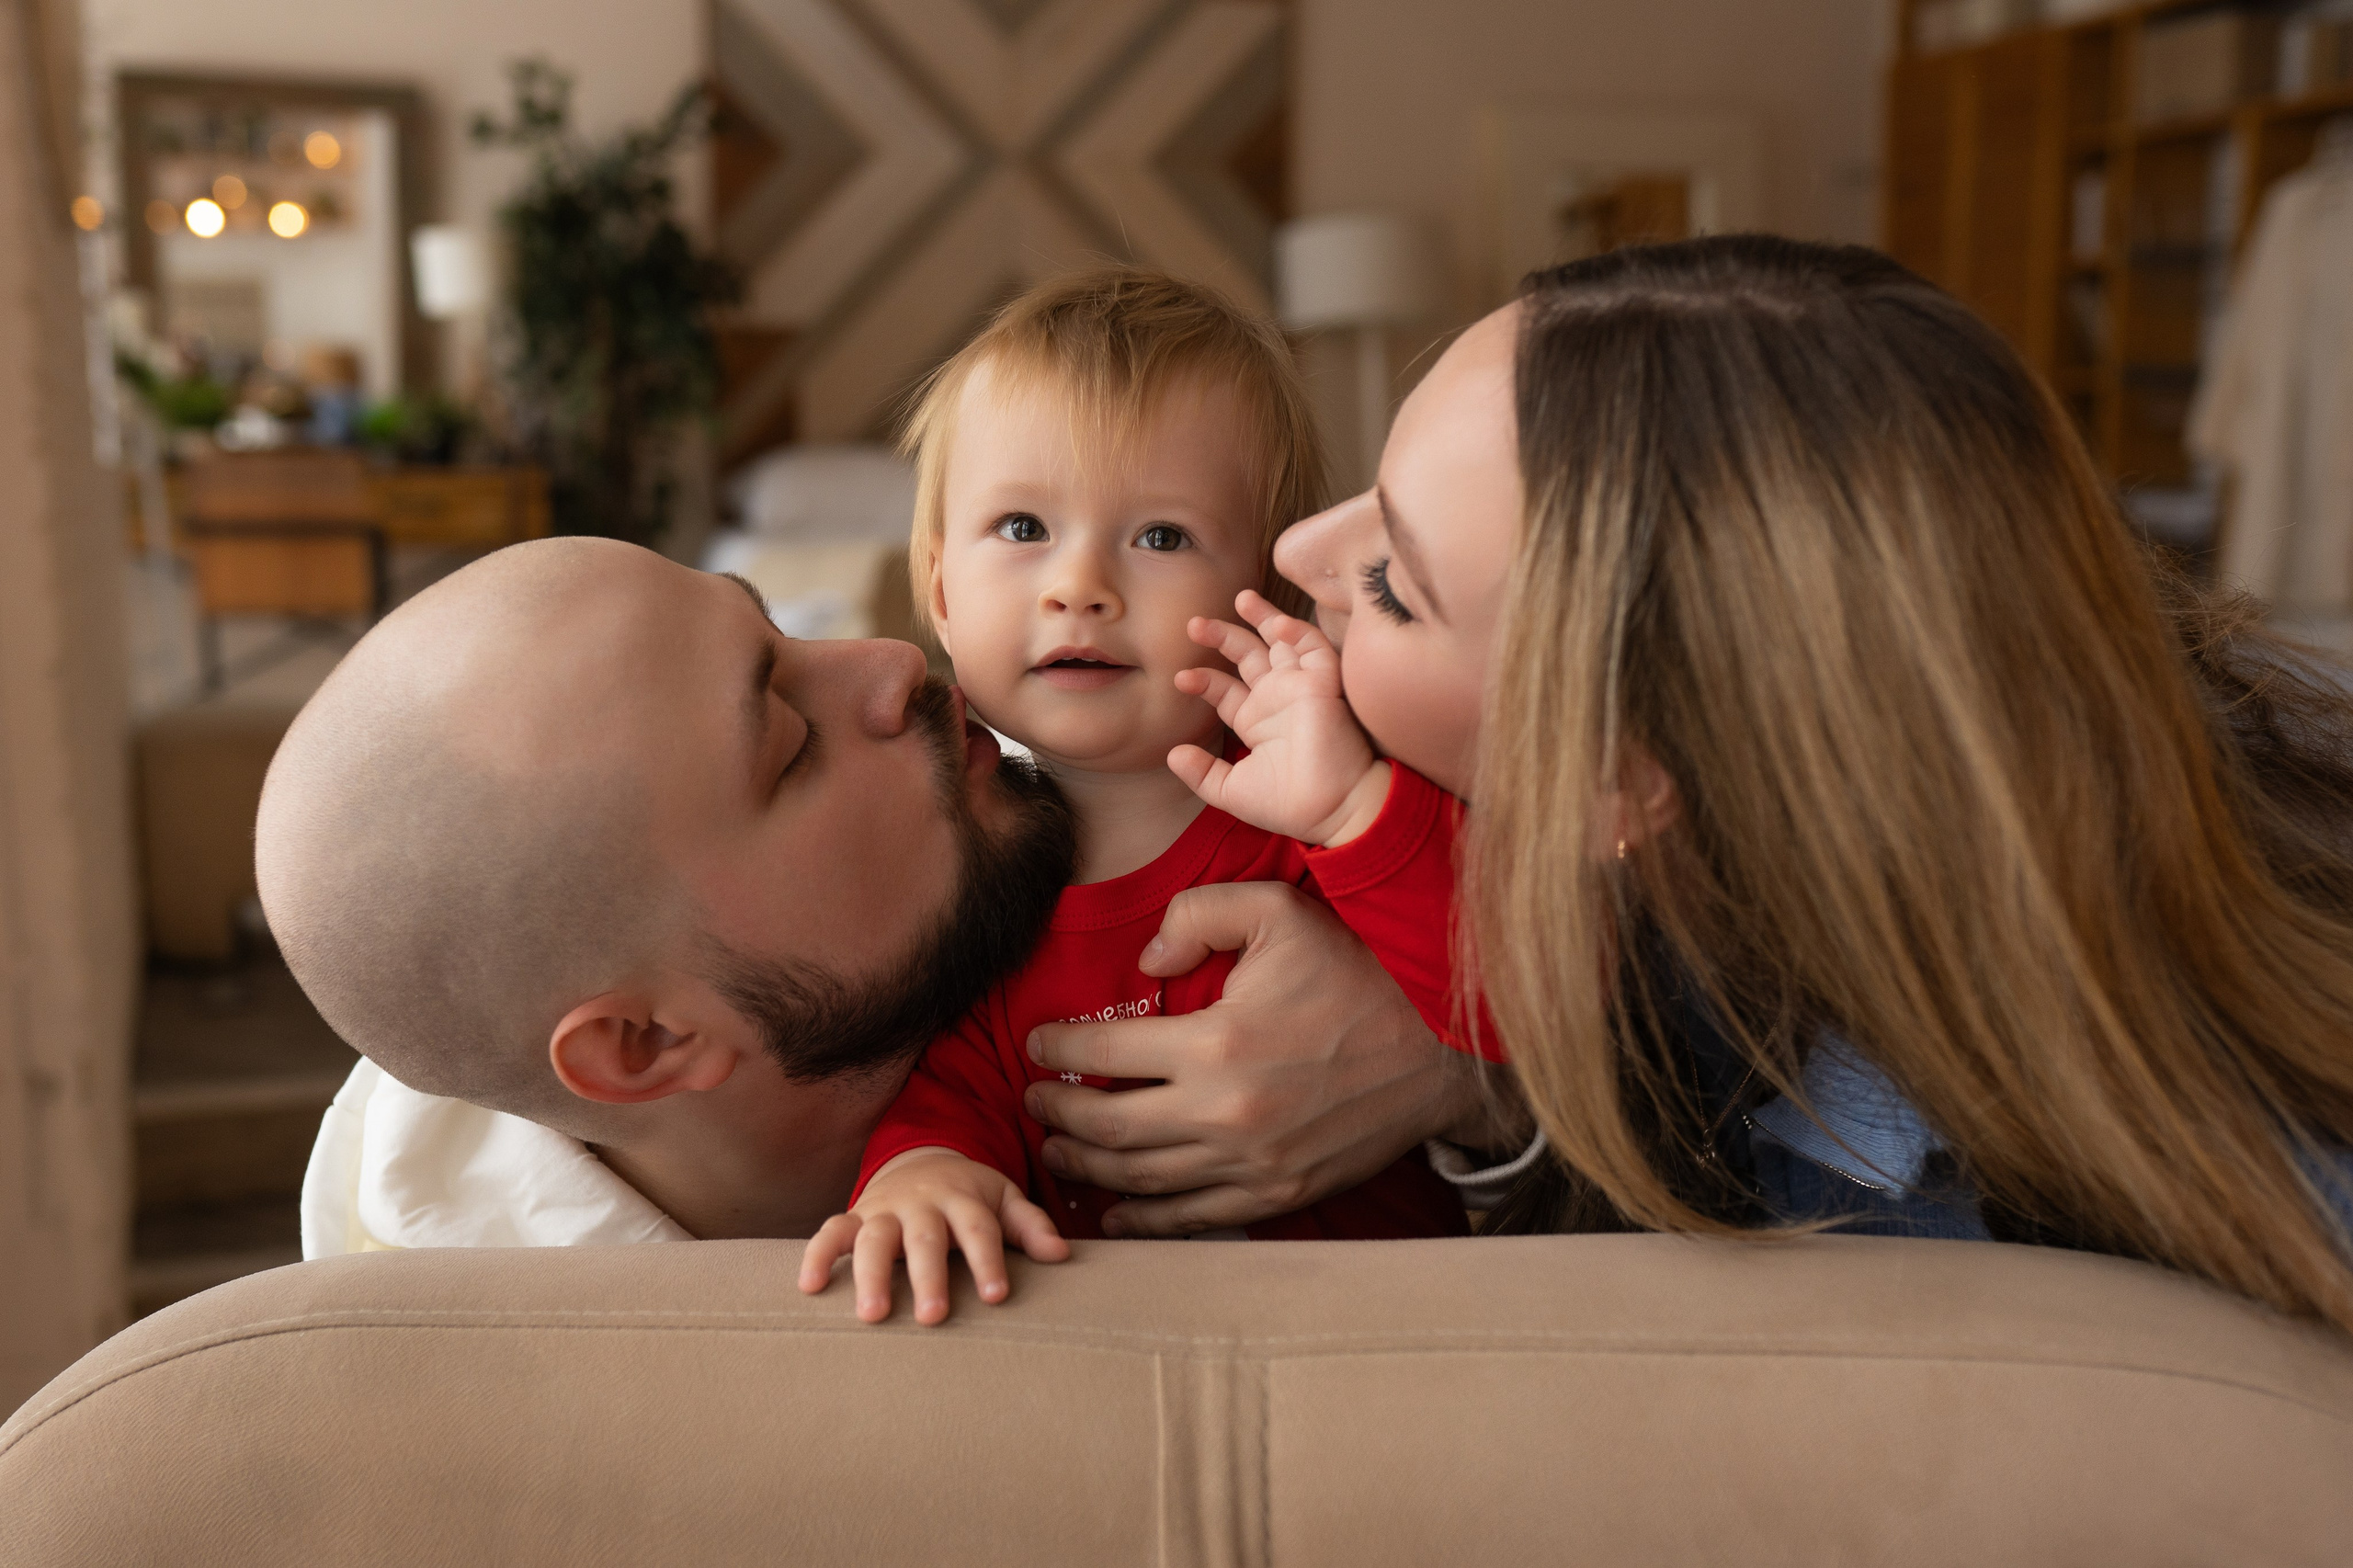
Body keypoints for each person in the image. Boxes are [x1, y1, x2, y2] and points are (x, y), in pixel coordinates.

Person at [1245, 234, 2353, 1334]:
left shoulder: (2025, 1238)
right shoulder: (1728, 873)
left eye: (1392, 580)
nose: (1297, 548)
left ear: (1614, 784)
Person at [798, 269, 1477, 1325]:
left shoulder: (1326, 807)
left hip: (1383, 1336)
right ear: (939, 590)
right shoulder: (949, 866)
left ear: (1273, 590)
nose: (1079, 585)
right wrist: (921, 1172)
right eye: (1021, 527)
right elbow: (944, 1082)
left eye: (1160, 537)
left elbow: (1513, 988)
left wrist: (1351, 813)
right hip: (1109, 1360)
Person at [264, 536, 1077, 1248]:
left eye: (781, 632)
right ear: (646, 1043)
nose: (891, 660)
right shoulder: (517, 1415)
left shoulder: (1121, 774)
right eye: (793, 748)